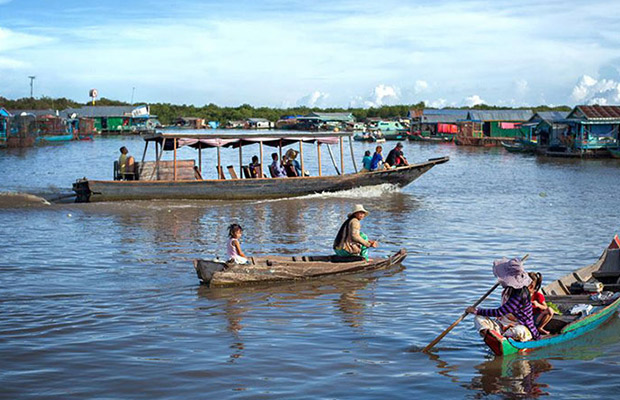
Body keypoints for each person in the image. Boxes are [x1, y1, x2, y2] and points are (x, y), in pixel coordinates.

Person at [466, 257, 540, 342]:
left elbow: (500, 312)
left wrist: (476, 310)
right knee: (478, 318)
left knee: (517, 331)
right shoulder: (508, 290)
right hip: (503, 326)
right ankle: (492, 338)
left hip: (522, 328)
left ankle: (501, 340)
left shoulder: (521, 293)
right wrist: (478, 313)